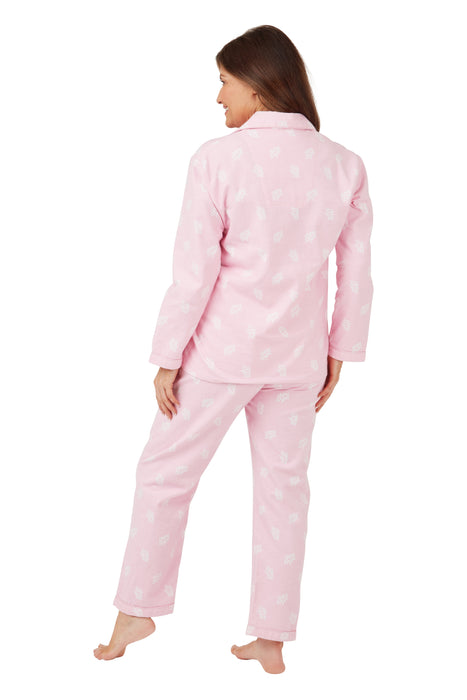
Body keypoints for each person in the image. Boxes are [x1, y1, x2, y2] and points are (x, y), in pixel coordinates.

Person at [94, 24, 374, 674]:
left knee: (163, 476)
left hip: (220, 356)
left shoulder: (217, 160)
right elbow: (355, 274)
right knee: (284, 493)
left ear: (256, 83)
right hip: (299, 359)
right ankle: (270, 637)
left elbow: (194, 274)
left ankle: (137, 609)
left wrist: (168, 357)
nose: (218, 96)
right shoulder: (344, 165)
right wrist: (339, 351)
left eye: (223, 81)